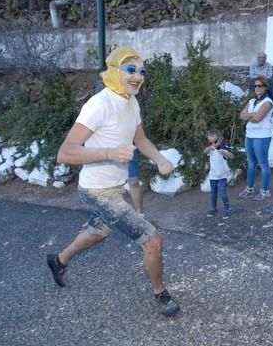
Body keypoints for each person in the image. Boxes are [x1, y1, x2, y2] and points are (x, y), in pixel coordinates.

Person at [46, 46, 181, 317]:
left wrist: (159, 159)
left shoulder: (131, 102)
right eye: (130, 69)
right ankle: (161, 293)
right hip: (96, 190)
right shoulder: (99, 104)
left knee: (99, 231)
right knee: (153, 241)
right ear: (114, 71)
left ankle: (58, 261)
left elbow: (140, 139)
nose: (138, 76)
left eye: (141, 71)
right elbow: (65, 152)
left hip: (114, 188)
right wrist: (108, 153)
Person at [239, 75, 273, 201]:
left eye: (260, 85)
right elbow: (241, 115)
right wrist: (252, 115)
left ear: (265, 87)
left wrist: (250, 115)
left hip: (262, 136)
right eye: (255, 86)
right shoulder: (252, 101)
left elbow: (258, 118)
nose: (257, 88)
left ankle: (265, 191)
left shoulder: (268, 102)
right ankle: (250, 189)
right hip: (250, 135)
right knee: (251, 163)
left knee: (263, 163)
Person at [203, 129, 234, 219]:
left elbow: (232, 156)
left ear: (220, 139)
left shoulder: (223, 147)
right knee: (213, 193)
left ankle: (227, 209)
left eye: (215, 141)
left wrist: (224, 153)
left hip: (222, 175)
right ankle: (213, 208)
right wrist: (210, 148)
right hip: (213, 175)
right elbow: (205, 151)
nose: (213, 144)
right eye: (210, 142)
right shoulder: (211, 148)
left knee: (223, 193)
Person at [127, 150, 144, 214]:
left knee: (134, 181)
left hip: (127, 146)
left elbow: (140, 140)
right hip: (103, 147)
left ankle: (139, 213)